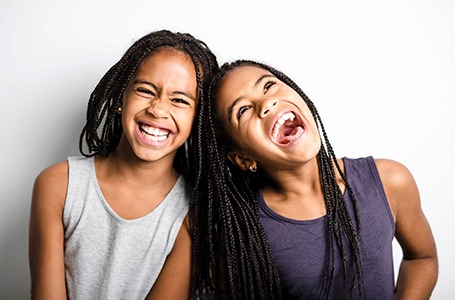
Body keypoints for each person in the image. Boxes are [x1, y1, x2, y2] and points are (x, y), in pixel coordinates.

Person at [190, 59, 438, 299]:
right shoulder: (245, 235)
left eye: (268, 86)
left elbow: (422, 258)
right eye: (243, 110)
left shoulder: (389, 181)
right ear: (243, 159)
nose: (266, 104)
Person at [28, 29, 218, 299]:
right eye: (145, 90)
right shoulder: (58, 185)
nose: (158, 109)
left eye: (179, 100)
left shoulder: (192, 214)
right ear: (120, 99)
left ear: (198, 120)